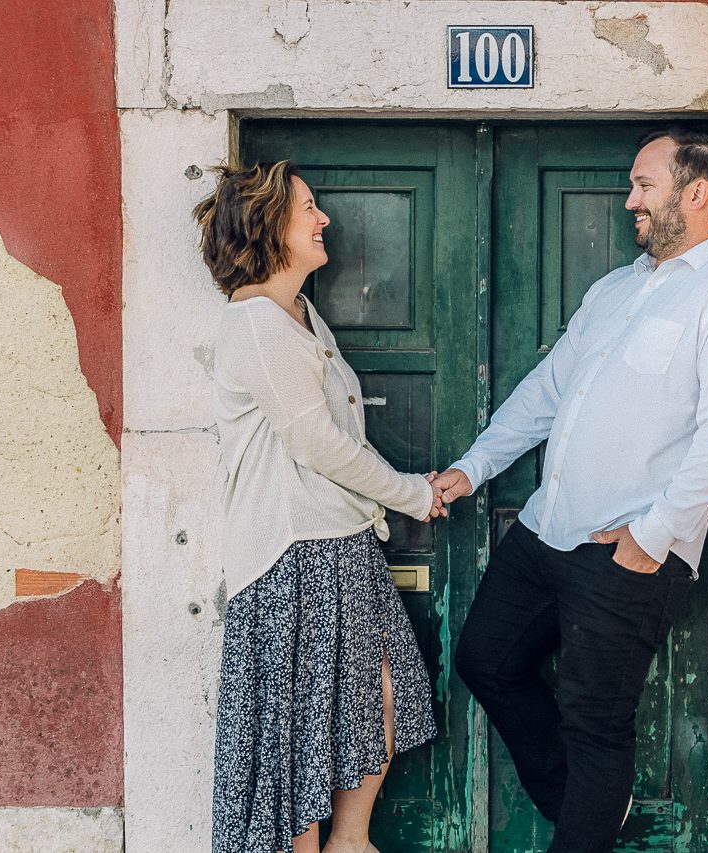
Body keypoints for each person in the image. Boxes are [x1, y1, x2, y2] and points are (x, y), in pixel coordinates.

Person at [433, 127, 708, 853]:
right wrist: (477, 464)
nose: (630, 201)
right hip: (545, 530)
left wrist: (652, 538)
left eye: (645, 186)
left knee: (596, 725)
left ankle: (586, 820)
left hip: (628, 551)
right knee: (486, 660)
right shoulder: (616, 287)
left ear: (697, 193)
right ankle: (591, 809)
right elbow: (550, 390)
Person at [194, 161, 444, 853]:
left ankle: (350, 839)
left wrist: (401, 494)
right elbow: (320, 445)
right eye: (309, 207)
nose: (323, 217)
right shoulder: (256, 325)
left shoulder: (298, 313)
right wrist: (413, 494)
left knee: (383, 694)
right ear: (271, 226)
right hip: (291, 551)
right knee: (296, 735)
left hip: (343, 542)